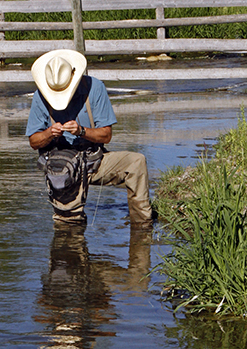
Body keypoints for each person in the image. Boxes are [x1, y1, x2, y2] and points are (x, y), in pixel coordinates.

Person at [26, 49, 153, 227]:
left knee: (136, 162)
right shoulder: (40, 96)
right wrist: (49, 133)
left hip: (95, 160)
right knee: (67, 227)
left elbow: (106, 135)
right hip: (62, 168)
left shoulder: (95, 88)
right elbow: (34, 142)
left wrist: (82, 131)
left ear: (74, 75)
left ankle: (142, 227)